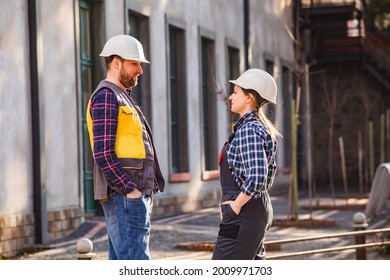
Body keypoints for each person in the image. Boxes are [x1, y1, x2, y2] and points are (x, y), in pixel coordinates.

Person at [86, 35, 165, 260]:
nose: (140, 70)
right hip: (124, 196)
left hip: (130, 196)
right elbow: (102, 152)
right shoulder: (106, 97)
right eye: (135, 64)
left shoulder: (122, 97)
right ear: (117, 63)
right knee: (135, 263)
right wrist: (130, 190)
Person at [212, 68, 281, 260]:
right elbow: (268, 174)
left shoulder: (249, 130)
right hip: (253, 210)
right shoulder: (255, 127)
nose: (231, 97)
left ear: (249, 97)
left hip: (244, 212)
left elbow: (258, 175)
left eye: (236, 92)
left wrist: (236, 205)